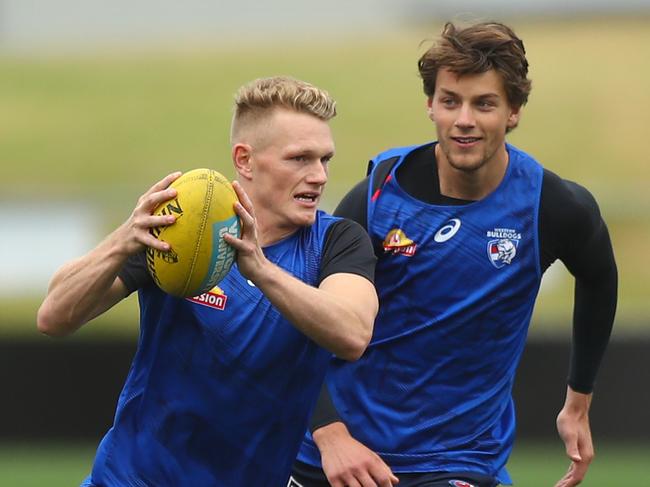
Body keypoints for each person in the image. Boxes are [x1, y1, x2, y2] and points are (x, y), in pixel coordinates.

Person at [291, 22, 617, 487]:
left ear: (514, 112)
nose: (464, 119)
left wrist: (578, 400)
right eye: (450, 101)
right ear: (431, 106)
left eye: (484, 103)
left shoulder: (552, 207)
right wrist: (329, 433)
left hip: (456, 461)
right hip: (341, 454)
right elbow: (303, 319)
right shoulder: (375, 197)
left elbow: (600, 278)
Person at [37, 76, 379, 486]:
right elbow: (54, 317)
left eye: (325, 160)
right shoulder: (184, 228)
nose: (319, 176)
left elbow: (353, 333)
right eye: (299, 159)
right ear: (245, 160)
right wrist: (123, 239)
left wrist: (261, 269)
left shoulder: (335, 241)